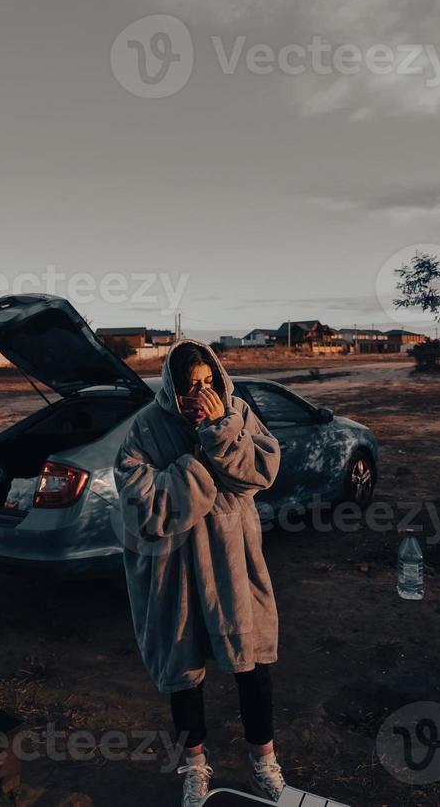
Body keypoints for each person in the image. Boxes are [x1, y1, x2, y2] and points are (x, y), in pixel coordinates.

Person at [114, 340, 287, 806]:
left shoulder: (237, 414)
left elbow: (263, 469)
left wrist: (220, 432)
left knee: (253, 665)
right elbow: (141, 505)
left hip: (235, 563)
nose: (202, 395)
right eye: (191, 387)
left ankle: (263, 762)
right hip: (177, 573)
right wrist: (199, 467)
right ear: (172, 388)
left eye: (209, 384)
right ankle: (194, 766)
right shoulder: (145, 430)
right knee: (185, 671)